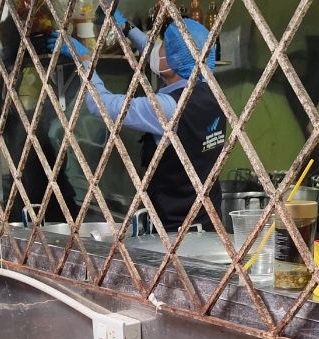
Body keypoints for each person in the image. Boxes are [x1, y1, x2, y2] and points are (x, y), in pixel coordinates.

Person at [48, 12, 226, 232]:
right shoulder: (211, 89)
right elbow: (161, 55)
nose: (157, 49)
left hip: (178, 230)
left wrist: (84, 60)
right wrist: (126, 28)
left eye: (164, 47)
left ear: (172, 61)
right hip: (210, 222)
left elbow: (102, 104)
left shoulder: (168, 107)